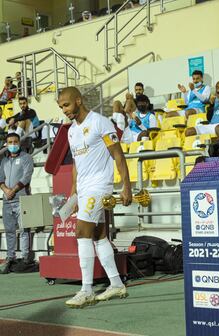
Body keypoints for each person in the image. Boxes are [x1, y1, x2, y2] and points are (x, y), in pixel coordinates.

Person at [57, 87, 132, 308]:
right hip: (84, 188)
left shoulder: (100, 122)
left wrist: (126, 186)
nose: (64, 110)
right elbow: (75, 165)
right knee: (98, 235)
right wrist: (73, 191)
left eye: (67, 105)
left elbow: (118, 155)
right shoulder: (71, 131)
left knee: (81, 232)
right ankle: (117, 284)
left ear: (78, 101)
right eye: (61, 107)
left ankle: (86, 289)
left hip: (100, 186)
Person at [0, 133, 34, 274]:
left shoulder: (26, 158)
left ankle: (25, 258)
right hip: (7, 199)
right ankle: (10, 257)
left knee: (24, 228)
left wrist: (13, 190)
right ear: (6, 144)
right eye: (10, 142)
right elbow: (0, 178)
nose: (13, 144)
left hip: (22, 198)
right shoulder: (4, 161)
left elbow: (26, 176)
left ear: (19, 143)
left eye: (15, 142)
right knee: (9, 230)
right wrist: (6, 190)